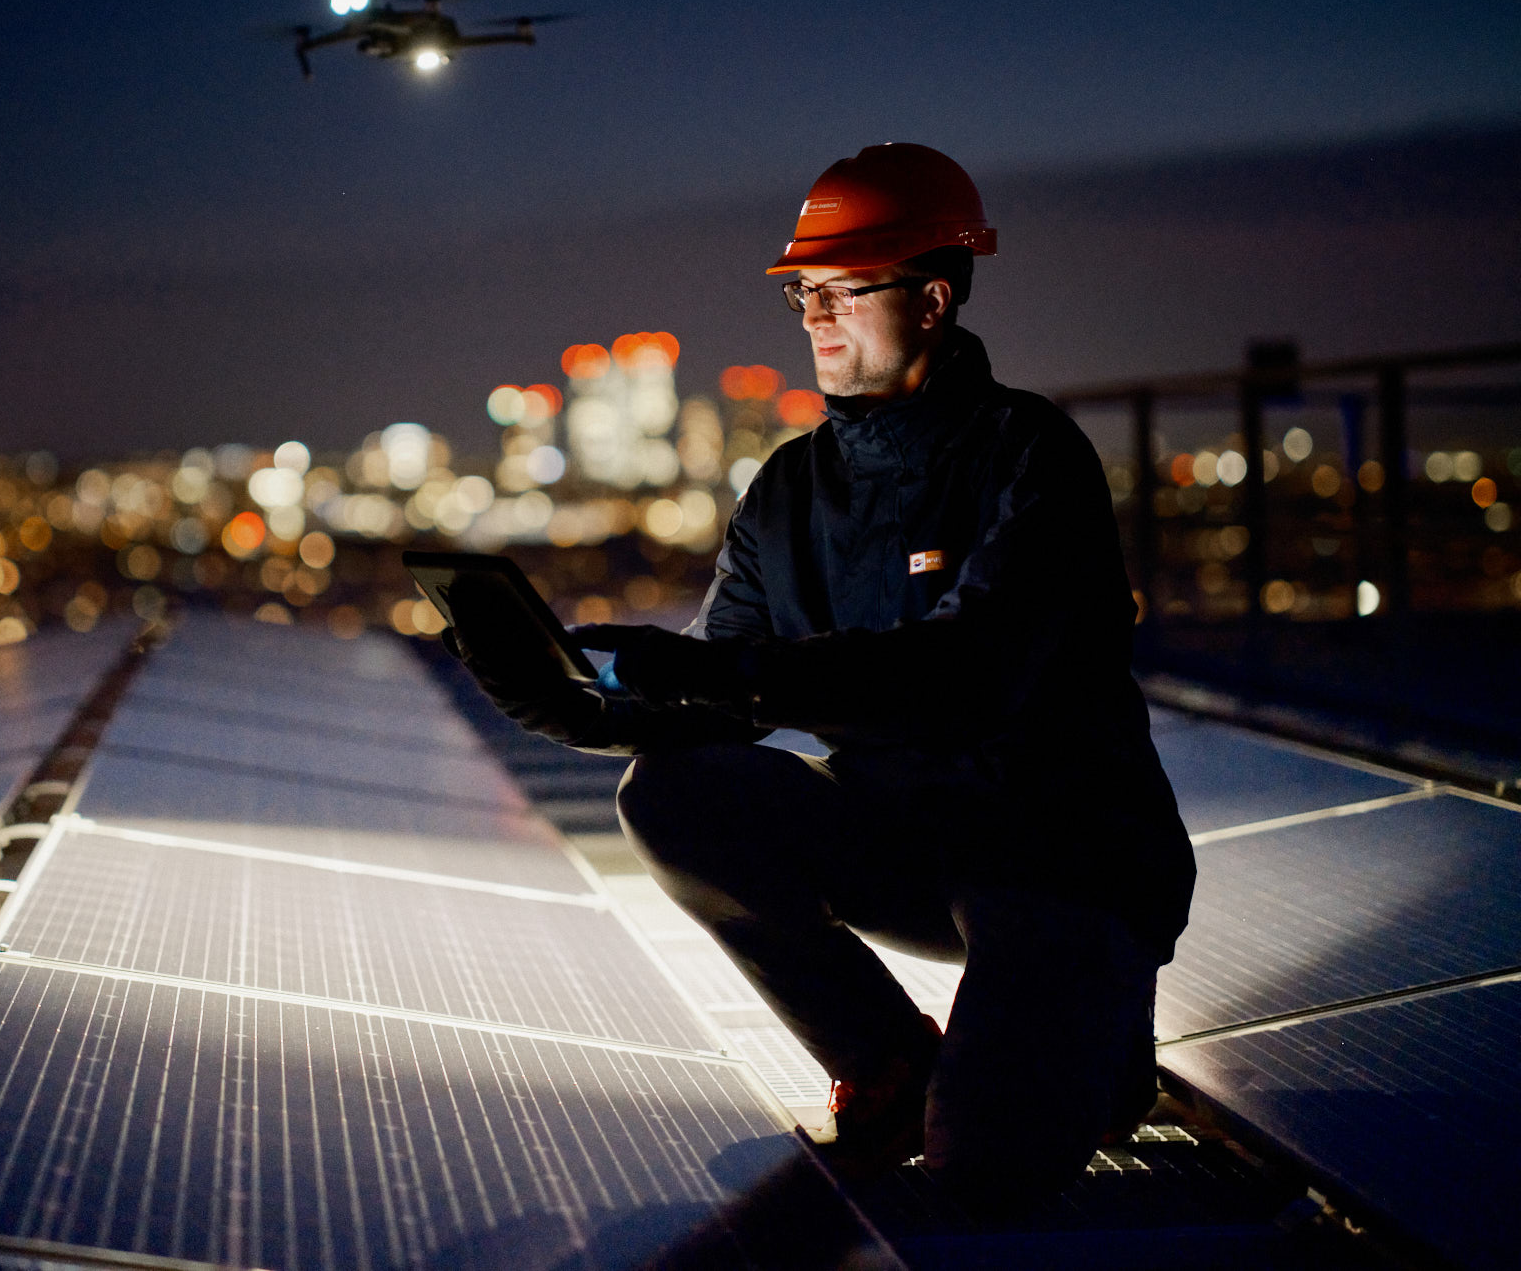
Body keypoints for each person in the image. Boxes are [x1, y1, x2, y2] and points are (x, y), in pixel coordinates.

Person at [446, 143, 1196, 1214]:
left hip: (1059, 863)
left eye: (842, 289)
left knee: (981, 1176)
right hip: (913, 841)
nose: (813, 316)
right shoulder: (792, 489)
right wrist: (550, 696)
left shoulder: (1029, 455)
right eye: (804, 291)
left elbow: (968, 674)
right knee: (675, 788)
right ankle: (890, 1065)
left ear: (931, 298)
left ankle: (1094, 1039)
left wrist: (727, 674)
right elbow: (703, 695)